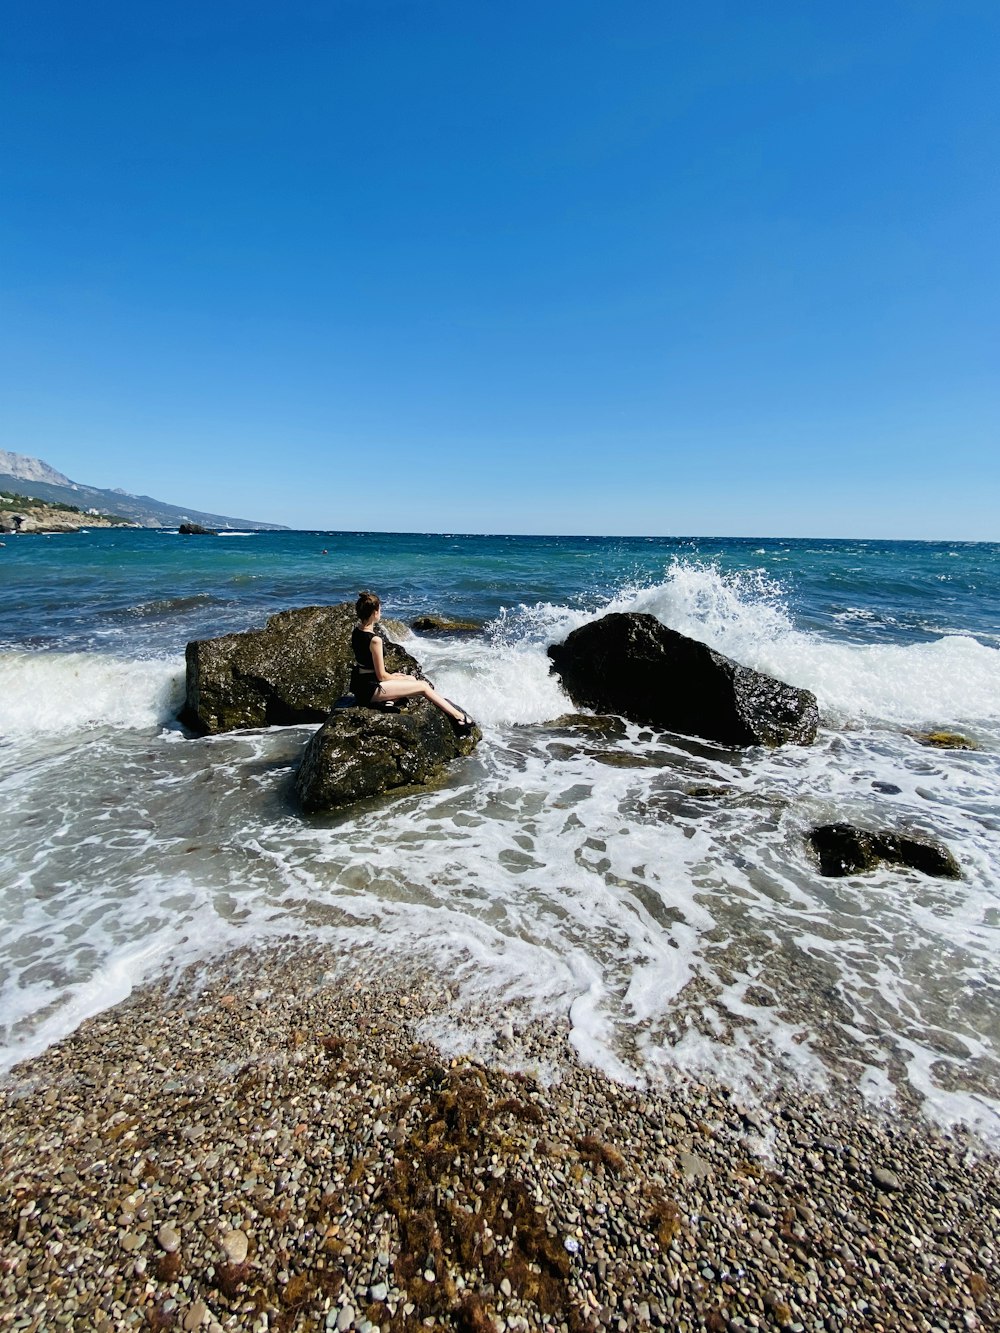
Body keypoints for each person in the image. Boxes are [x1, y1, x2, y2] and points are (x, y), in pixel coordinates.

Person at [351, 590, 475, 736]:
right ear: (374, 612)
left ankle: (387, 702)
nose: (380, 612)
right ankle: (458, 717)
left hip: (361, 684)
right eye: (380, 609)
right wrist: (395, 677)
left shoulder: (356, 631)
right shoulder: (375, 640)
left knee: (410, 679)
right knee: (423, 686)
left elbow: (368, 666)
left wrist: (396, 677)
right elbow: (381, 677)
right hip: (370, 689)